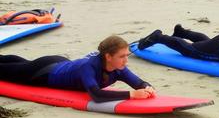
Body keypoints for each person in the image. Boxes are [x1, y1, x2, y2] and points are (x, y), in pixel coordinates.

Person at [0, 35, 155, 103]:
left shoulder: (119, 68)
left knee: (21, 64)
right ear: (108, 56)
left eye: (127, 55)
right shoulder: (88, 67)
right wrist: (132, 95)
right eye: (122, 56)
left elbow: (138, 82)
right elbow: (96, 95)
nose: (126, 60)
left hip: (60, 62)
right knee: (10, 71)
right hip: (44, 72)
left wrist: (147, 87)